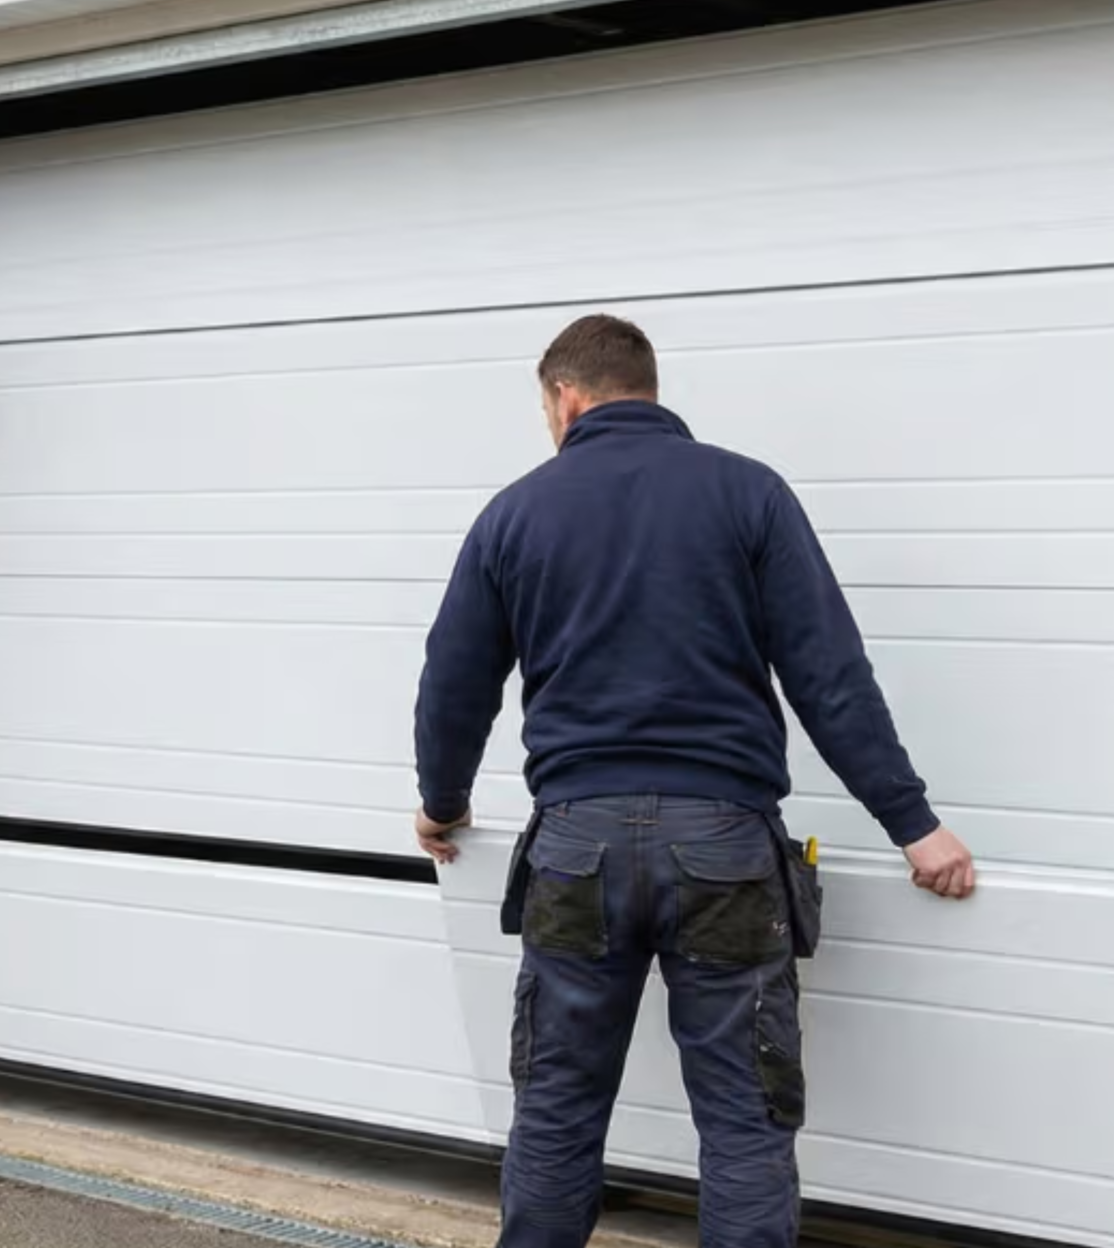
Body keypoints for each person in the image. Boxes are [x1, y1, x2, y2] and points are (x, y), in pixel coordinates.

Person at [410, 314, 976, 1248]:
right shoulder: (748, 493)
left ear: (565, 398)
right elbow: (828, 673)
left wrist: (443, 802)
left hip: (576, 851)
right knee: (745, 1120)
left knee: (556, 1109)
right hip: (725, 849)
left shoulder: (515, 513)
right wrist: (913, 824)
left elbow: (454, 681)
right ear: (648, 387)